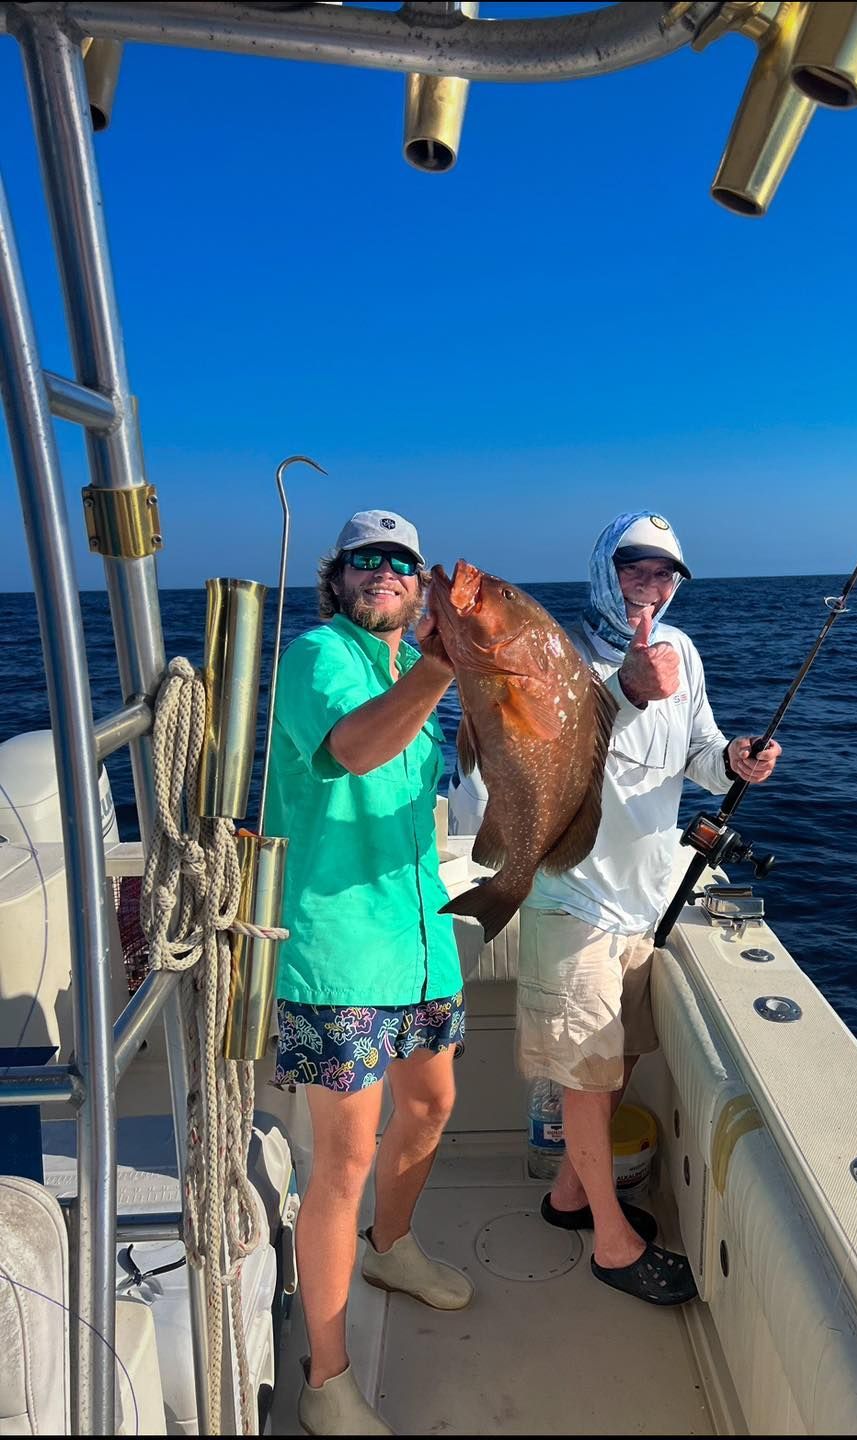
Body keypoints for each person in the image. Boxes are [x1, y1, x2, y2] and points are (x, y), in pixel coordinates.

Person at [517, 510, 781, 1306]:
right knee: (588, 1077)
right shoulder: (554, 657)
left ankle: (569, 1196)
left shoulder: (684, 653)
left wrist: (733, 758)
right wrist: (628, 691)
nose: (653, 586)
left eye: (667, 574)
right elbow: (548, 757)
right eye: (637, 568)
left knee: (621, 1057)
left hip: (644, 899)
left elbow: (697, 750)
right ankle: (610, 1242)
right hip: (571, 900)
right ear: (605, 566)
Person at [264, 509, 469, 1437]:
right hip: (338, 954)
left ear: (420, 584)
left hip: (422, 941)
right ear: (337, 578)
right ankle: (327, 1379)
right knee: (342, 1162)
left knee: (431, 1108)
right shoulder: (318, 658)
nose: (383, 570)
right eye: (364, 560)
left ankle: (393, 1248)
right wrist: (441, 669)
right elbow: (352, 751)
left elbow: (439, 780)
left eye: (401, 560)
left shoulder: (413, 677)